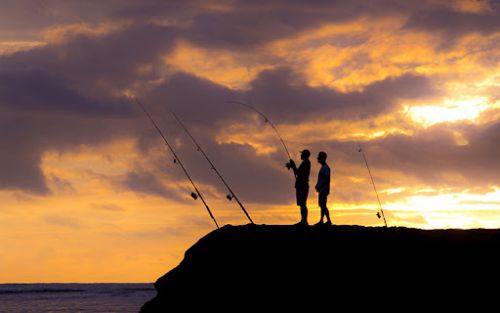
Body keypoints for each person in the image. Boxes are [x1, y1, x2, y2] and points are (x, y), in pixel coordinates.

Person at [286, 149, 311, 225]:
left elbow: (298, 173)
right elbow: (297, 173)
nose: (301, 155)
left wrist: (293, 165)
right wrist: (292, 166)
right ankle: (303, 221)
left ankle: (304, 221)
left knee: (303, 203)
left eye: (302, 154)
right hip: (301, 185)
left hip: (302, 185)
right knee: (301, 204)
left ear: (305, 155)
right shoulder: (305, 163)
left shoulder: (306, 163)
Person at [315, 151, 332, 226]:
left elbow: (327, 179)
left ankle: (328, 221)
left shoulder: (325, 168)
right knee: (322, 205)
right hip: (322, 189)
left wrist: (320, 186)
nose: (317, 158)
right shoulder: (323, 167)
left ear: (322, 158)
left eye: (319, 156)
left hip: (324, 190)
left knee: (323, 205)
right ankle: (322, 220)